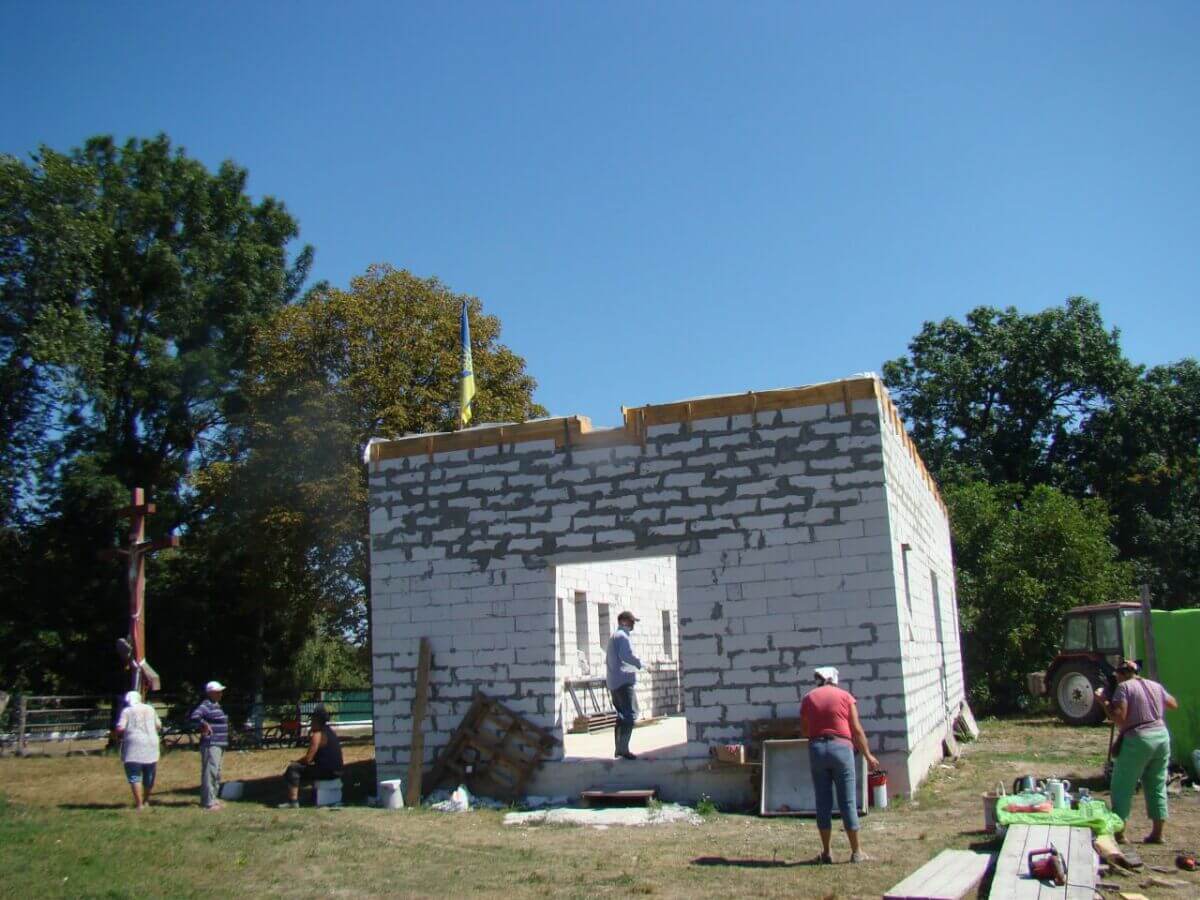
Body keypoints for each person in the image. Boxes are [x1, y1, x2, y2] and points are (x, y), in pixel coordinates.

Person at [799, 666, 881, 864]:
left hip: (817, 749)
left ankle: (827, 852)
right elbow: (856, 729)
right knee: (848, 802)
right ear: (834, 679)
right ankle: (857, 852)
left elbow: (805, 730)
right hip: (842, 749)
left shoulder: (808, 698)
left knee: (823, 802)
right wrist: (868, 755)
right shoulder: (845, 696)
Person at [1096, 659, 1178, 844]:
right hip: (1161, 736)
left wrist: (1104, 702)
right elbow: (1173, 704)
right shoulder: (1154, 685)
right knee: (1156, 784)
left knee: (1122, 784)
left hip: (1139, 738)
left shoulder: (1124, 688)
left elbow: (1120, 718)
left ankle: (1120, 833)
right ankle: (1157, 834)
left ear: (1123, 674)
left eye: (1117, 675)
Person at [279, 705, 344, 809]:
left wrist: (296, 762)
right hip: (337, 771)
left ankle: (293, 801)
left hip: (327, 772)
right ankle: (312, 797)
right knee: (312, 769)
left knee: (293, 769)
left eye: (312, 720)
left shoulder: (318, 734)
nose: (311, 722)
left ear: (317, 720)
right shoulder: (331, 732)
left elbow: (308, 759)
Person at [114, 689, 162, 811]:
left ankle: (139, 804)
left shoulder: (127, 711)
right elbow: (158, 725)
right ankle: (146, 800)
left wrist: (116, 733)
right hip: (151, 744)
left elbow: (121, 727)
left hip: (133, 746)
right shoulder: (150, 709)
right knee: (149, 774)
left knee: (134, 775)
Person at [605, 610, 643, 760]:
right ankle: (623, 749)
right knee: (630, 714)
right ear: (624, 621)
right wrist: (639, 663)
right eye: (632, 621)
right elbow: (626, 656)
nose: (633, 625)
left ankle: (619, 749)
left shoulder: (615, 636)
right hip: (623, 682)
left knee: (621, 716)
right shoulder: (622, 636)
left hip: (615, 682)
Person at [189, 680, 229, 810]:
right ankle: (207, 802)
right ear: (211, 693)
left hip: (220, 742)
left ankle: (213, 798)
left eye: (220, 692)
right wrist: (204, 725)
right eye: (218, 692)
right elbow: (195, 716)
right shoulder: (206, 705)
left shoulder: (216, 705)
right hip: (211, 743)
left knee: (217, 772)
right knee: (210, 772)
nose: (220, 694)